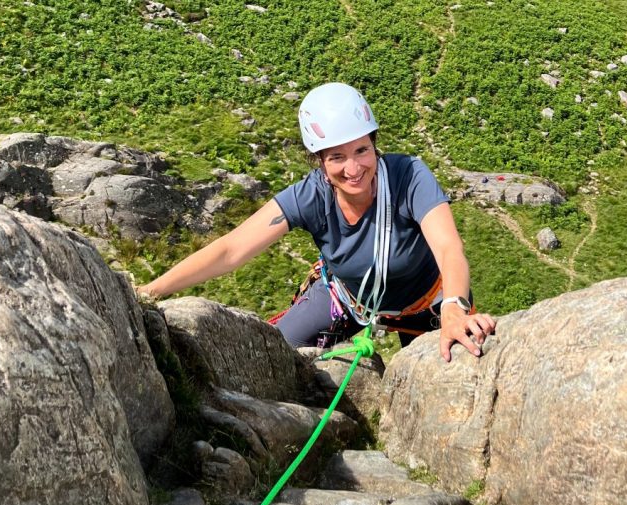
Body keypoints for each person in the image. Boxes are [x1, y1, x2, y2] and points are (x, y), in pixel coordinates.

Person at [138, 82, 496, 361]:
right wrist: (149, 293)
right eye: (337, 157)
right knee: (276, 352)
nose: (353, 169)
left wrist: (454, 308)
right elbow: (231, 250)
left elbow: (448, 247)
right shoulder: (310, 196)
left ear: (375, 145)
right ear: (320, 161)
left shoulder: (409, 177)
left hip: (427, 302)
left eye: (362, 150)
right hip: (347, 297)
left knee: (450, 364)